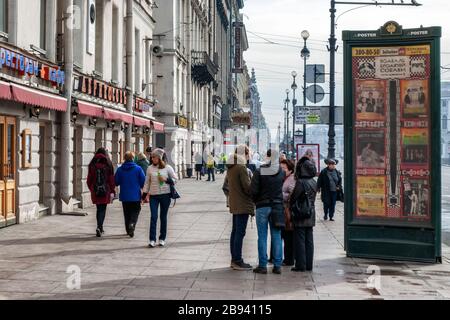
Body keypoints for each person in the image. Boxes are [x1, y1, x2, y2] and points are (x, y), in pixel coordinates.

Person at [250, 149, 285, 275]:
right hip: (276, 206)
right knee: (276, 236)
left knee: (262, 236)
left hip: (262, 206)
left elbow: (253, 191)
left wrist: (256, 201)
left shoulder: (259, 171)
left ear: (269, 157)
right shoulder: (281, 172)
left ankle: (263, 265)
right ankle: (277, 265)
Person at [222, 145, 255, 271]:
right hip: (243, 204)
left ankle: (234, 259)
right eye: (248, 155)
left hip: (235, 203)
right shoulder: (241, 168)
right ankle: (238, 260)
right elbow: (247, 188)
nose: (249, 158)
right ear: (244, 154)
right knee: (240, 233)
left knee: (235, 232)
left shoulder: (231, 167)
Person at [143, 148, 178, 248]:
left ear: (159, 158)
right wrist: (144, 195)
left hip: (165, 195)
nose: (152, 158)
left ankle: (162, 238)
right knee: (153, 217)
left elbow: (176, 180)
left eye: (154, 157)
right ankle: (152, 239)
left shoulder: (167, 168)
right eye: (152, 157)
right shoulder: (149, 168)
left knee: (163, 217)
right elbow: (147, 182)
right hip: (153, 196)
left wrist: (166, 179)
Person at [289, 155, 318, 272]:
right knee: (309, 240)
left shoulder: (301, 182)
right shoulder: (313, 182)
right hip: (311, 212)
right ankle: (309, 264)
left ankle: (300, 264)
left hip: (300, 213)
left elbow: (294, 197)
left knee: (299, 240)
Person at [115, 151, 146, 238]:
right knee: (136, 211)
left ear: (124, 158)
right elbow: (143, 182)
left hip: (125, 196)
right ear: (133, 158)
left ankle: (128, 231)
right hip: (135, 195)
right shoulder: (138, 169)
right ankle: (132, 223)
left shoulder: (120, 169)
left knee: (126, 213)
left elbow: (116, 182)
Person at [87, 148, 116, 238]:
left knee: (98, 209)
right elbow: (111, 180)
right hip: (105, 190)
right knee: (103, 209)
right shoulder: (108, 164)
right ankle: (100, 227)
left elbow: (89, 180)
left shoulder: (92, 164)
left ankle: (100, 227)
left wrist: (92, 189)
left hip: (95, 190)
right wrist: (112, 190)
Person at [281, 159, 296, 266]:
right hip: (283, 210)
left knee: (288, 235)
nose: (281, 170)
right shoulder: (283, 178)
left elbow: (293, 194)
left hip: (288, 211)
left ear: (290, 170)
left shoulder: (292, 179)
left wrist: (280, 194)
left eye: (284, 168)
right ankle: (286, 258)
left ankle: (289, 259)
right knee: (285, 235)